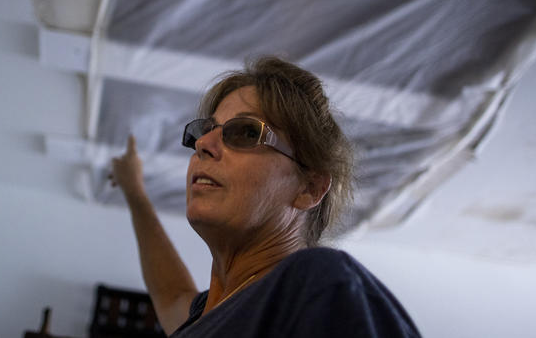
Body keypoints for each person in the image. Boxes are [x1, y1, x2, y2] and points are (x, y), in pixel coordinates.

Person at [111, 56, 420, 337]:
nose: (203, 143)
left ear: (308, 188)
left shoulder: (319, 285)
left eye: (246, 132)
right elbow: (172, 296)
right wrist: (134, 191)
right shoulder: (209, 313)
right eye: (208, 130)